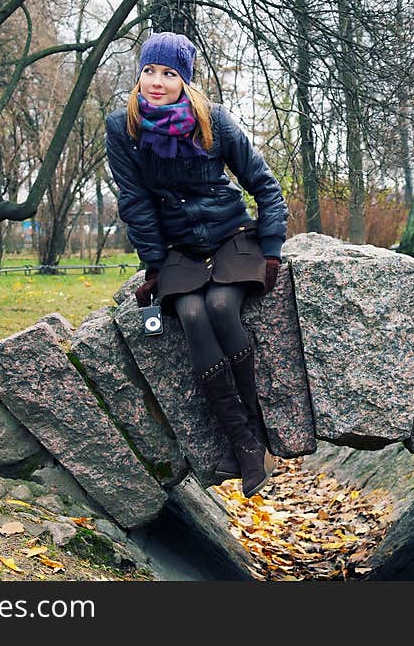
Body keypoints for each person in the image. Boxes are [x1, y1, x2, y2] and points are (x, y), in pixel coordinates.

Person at [105, 31, 289, 499]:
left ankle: (251, 438)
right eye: (149, 71)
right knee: (190, 314)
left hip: (231, 238)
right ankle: (244, 441)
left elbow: (265, 186)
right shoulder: (122, 129)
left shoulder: (215, 121)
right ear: (139, 74)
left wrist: (271, 251)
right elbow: (136, 202)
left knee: (223, 308)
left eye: (169, 74)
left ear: (184, 80)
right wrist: (152, 266)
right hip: (180, 252)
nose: (157, 82)